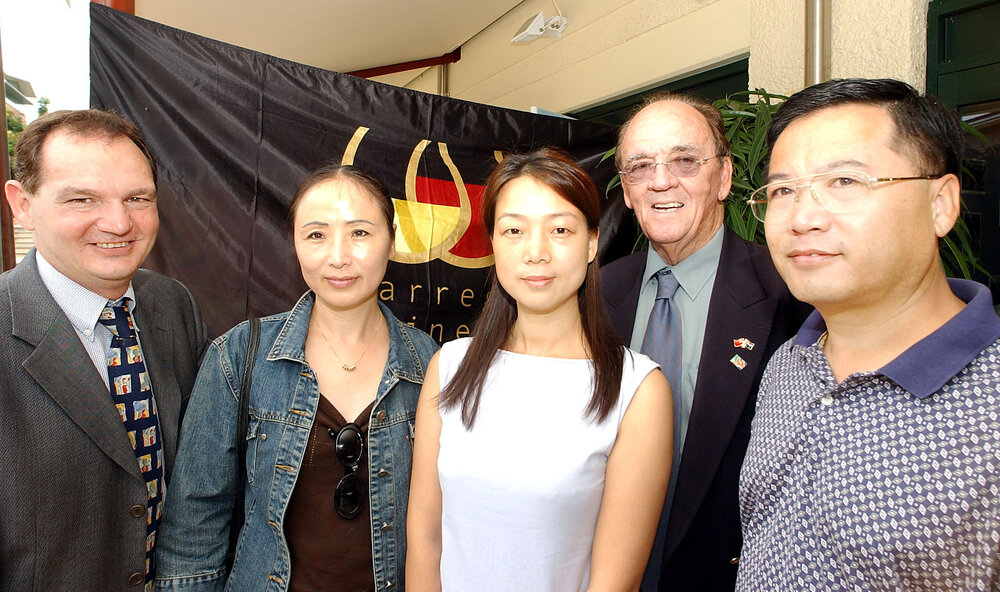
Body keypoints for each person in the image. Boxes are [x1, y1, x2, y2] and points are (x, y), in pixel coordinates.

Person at [737, 78, 1000, 589]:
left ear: (940, 204)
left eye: (845, 181)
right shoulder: (789, 364)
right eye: (783, 190)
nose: (802, 218)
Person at [154, 164, 438, 592]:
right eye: (316, 234)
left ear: (392, 241)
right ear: (295, 243)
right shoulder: (239, 355)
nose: (338, 256)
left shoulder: (429, 363)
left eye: (360, 233)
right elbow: (194, 524)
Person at [406, 148, 673, 592]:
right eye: (514, 230)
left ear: (592, 242)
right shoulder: (449, 367)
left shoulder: (637, 389)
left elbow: (614, 582)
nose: (536, 252)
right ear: (493, 243)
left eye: (560, 229)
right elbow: (424, 539)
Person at [601, 93, 811, 591]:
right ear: (626, 190)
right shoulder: (595, 293)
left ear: (724, 177)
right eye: (641, 166)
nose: (661, 181)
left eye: (685, 161)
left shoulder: (791, 295)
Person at [0, 109, 208, 591]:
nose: (118, 223)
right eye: (82, 199)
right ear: (22, 205)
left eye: (137, 198)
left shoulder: (172, 303)